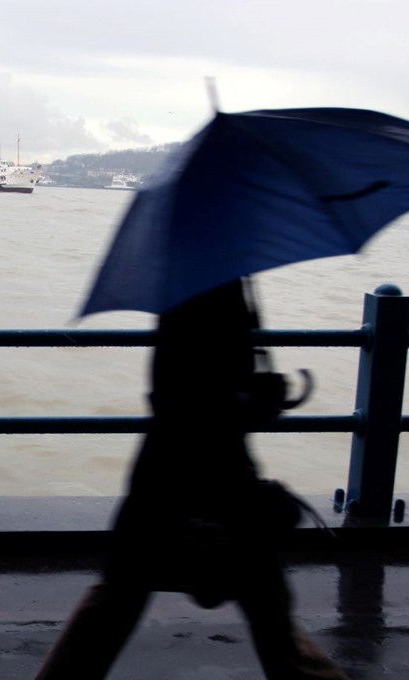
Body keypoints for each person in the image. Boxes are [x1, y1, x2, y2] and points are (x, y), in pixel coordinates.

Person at [34, 278, 348, 680]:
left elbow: (182, 393)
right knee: (265, 601)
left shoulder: (198, 285)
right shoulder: (214, 288)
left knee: (119, 598)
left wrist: (247, 399)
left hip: (166, 477)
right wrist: (253, 401)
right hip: (205, 476)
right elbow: (187, 398)